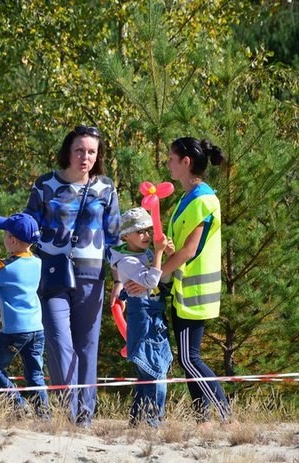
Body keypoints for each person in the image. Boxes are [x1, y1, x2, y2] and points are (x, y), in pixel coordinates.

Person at [129, 137, 230, 425]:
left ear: (186, 162)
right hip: (183, 289)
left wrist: (154, 277)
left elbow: (190, 250)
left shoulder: (204, 200)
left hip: (196, 291)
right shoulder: (189, 198)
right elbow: (179, 247)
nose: (168, 164)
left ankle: (225, 415)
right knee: (188, 358)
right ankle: (204, 419)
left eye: (172, 159)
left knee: (189, 358)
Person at [24, 125, 120, 427]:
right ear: (68, 150)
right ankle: (71, 404)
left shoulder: (106, 188)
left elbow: (115, 238)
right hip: (53, 273)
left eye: (92, 152)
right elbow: (27, 229)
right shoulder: (45, 185)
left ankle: (83, 419)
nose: (85, 157)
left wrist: (120, 281)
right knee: (58, 339)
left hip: (92, 274)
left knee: (87, 345)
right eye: (80, 150)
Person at [0, 213, 49, 418]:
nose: (3, 238)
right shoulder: (36, 261)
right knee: (35, 374)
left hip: (14, 331)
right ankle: (44, 416)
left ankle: (17, 403)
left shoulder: (7, 268)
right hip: (37, 327)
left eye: (5, 234)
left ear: (13, 240)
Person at [109, 208, 172, 427]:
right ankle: (154, 421)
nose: (146, 235)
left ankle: (137, 420)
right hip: (143, 314)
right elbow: (152, 281)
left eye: (148, 230)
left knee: (149, 370)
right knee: (154, 368)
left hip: (153, 311)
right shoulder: (127, 261)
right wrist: (158, 254)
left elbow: (164, 276)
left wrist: (168, 254)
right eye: (139, 232)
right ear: (126, 236)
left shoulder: (141, 255)